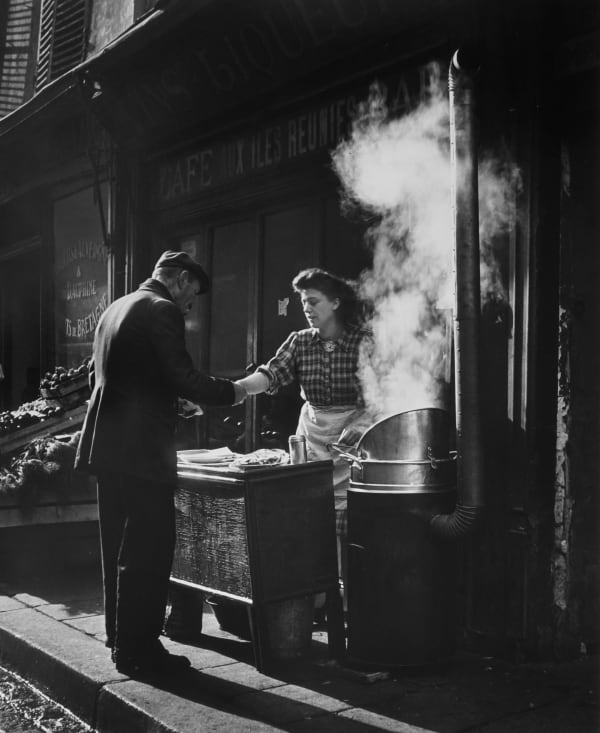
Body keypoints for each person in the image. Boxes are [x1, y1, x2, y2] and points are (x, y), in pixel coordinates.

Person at [74, 250, 246, 678]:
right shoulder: (162, 307)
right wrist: (237, 391)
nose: (191, 305)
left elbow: (132, 377)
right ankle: (140, 651)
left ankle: (120, 637)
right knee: (150, 547)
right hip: (140, 450)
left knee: (117, 544)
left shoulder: (118, 306)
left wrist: (173, 403)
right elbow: (182, 375)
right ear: (182, 280)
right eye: (194, 295)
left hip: (107, 445)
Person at [234, 267, 372, 596]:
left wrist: (359, 426)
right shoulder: (300, 341)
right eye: (303, 302)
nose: (307, 308)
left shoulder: (362, 341)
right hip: (312, 433)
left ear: (336, 303)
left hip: (353, 439)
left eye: (314, 301)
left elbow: (380, 395)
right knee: (309, 516)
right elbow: (271, 374)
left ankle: (351, 601)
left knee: (346, 521)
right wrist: (237, 389)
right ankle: (317, 596)